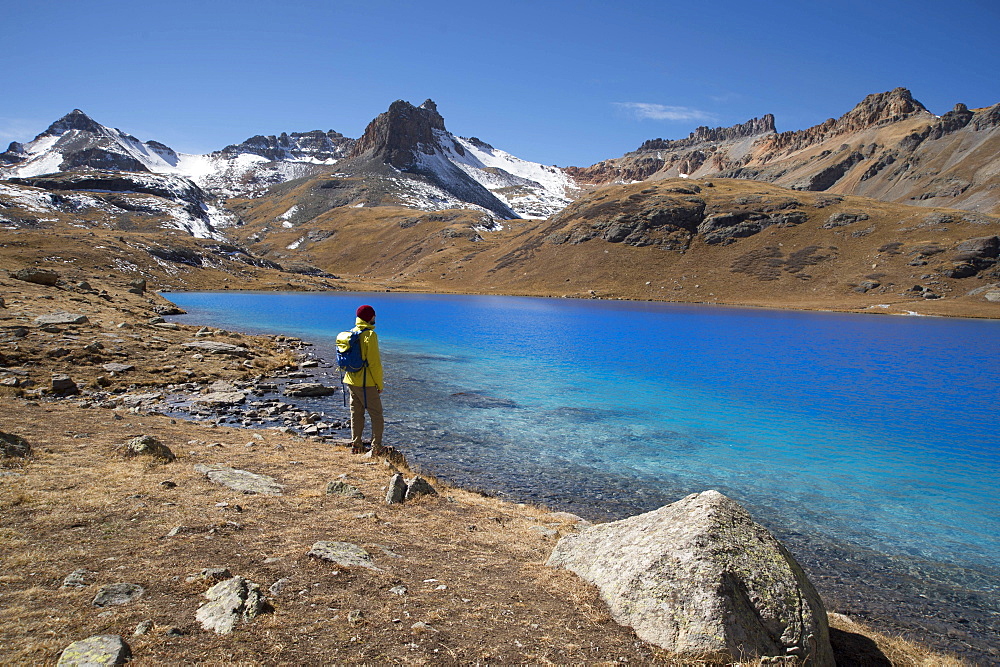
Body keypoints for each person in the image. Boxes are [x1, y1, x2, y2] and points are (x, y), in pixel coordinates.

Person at [343, 304, 384, 455]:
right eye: (373, 315)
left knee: (356, 413)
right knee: (377, 415)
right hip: (366, 383)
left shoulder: (352, 333)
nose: (375, 318)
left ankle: (356, 444)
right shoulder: (370, 336)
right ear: (369, 317)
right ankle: (377, 447)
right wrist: (379, 384)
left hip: (350, 380)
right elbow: (374, 364)